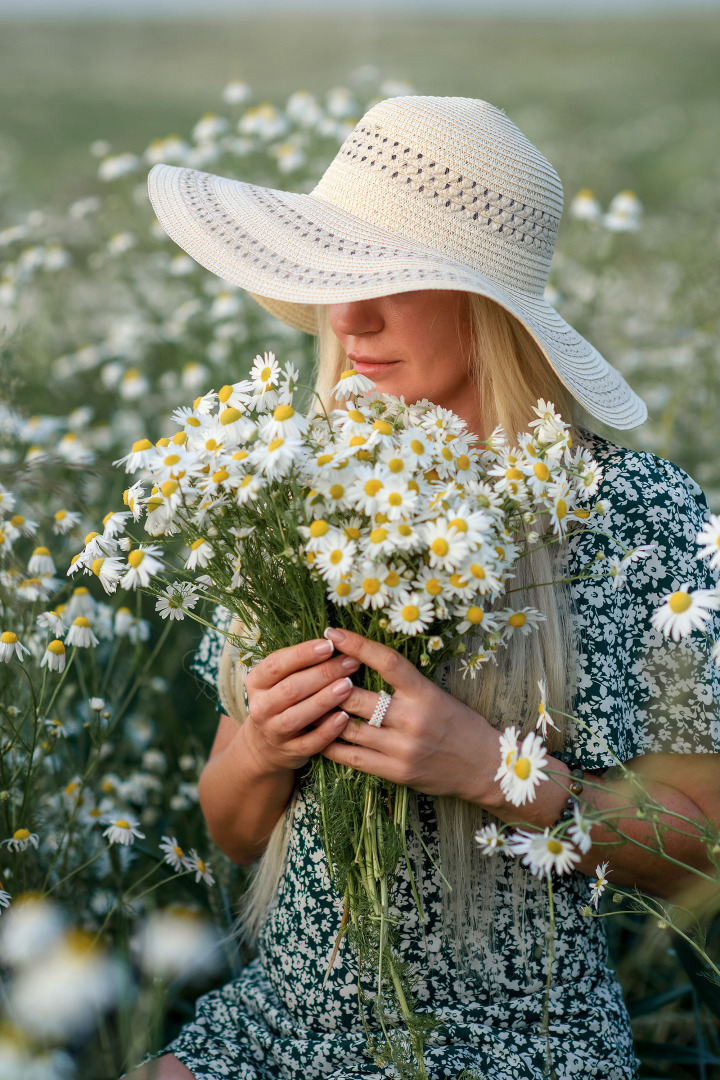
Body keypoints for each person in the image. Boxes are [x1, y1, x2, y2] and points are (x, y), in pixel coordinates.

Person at [128, 97, 720, 1080]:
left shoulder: (637, 518)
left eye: (389, 279)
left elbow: (698, 844)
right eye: (334, 276)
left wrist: (495, 773)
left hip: (524, 1052)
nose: (347, 317)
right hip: (282, 1029)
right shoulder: (293, 494)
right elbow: (232, 830)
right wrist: (269, 747)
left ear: (489, 304)